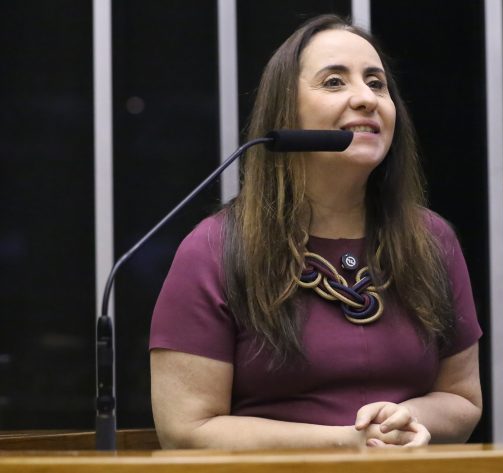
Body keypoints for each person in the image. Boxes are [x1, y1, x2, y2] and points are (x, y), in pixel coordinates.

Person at [149, 14, 482, 449]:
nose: (366, 99)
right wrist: (347, 443)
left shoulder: (432, 240)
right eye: (334, 82)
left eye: (377, 83)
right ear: (285, 112)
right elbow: (186, 430)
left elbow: (462, 398)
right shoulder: (213, 248)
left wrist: (411, 418)